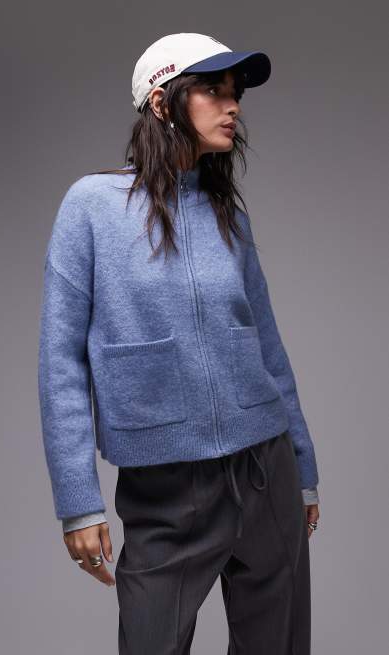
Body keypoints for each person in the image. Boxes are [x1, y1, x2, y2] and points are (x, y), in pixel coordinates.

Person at [38, 32, 321, 654]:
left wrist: (303, 468)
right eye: (213, 90)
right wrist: (78, 503)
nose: (232, 105)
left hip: (264, 472)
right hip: (165, 489)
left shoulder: (229, 216)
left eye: (235, 92)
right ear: (162, 102)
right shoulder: (91, 208)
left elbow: (268, 348)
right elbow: (61, 363)